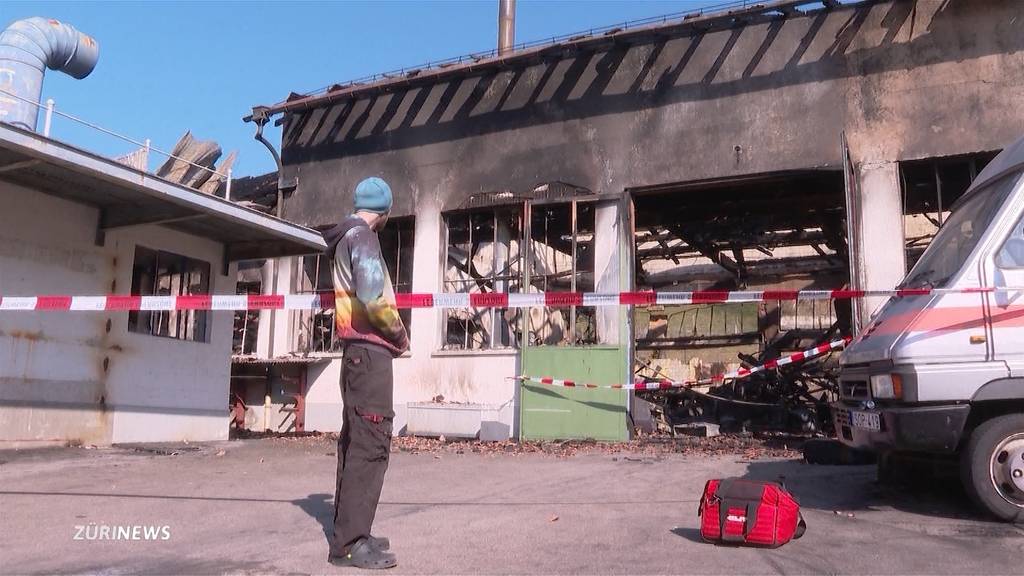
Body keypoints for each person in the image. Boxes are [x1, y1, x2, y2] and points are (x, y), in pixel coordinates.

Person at [322, 176, 409, 569]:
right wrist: (400, 336)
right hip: (371, 353)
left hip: (353, 353)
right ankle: (350, 544)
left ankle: (352, 530)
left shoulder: (343, 238)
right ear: (385, 211)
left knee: (355, 440)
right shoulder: (364, 239)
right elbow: (374, 301)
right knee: (372, 442)